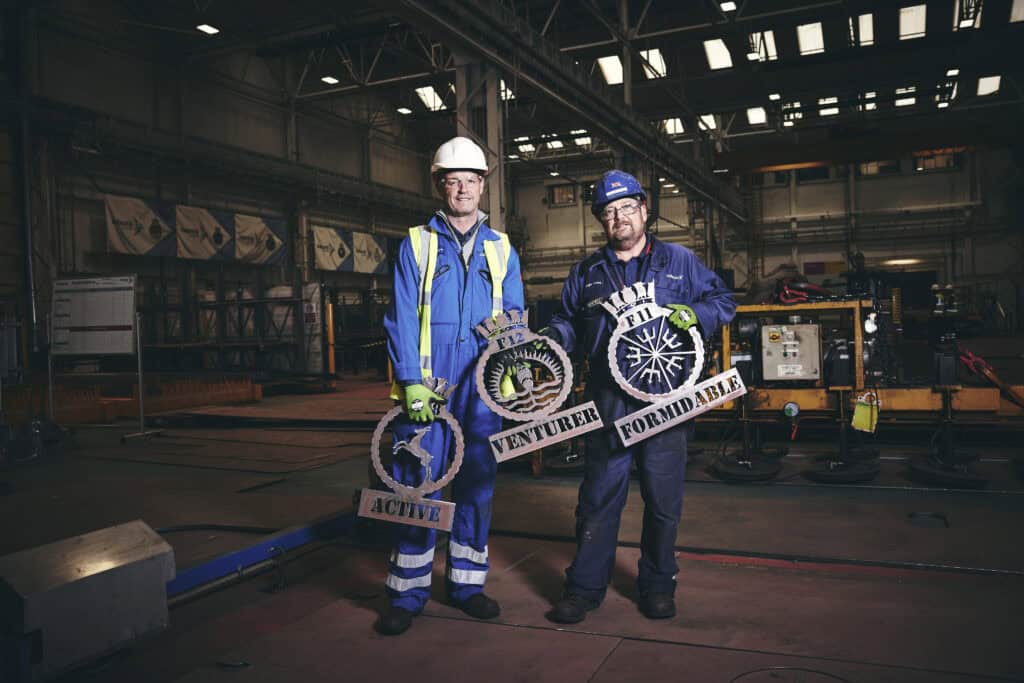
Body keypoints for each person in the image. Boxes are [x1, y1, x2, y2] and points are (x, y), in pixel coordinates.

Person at [540, 169, 735, 623]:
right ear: (601, 221)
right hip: (609, 403)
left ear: (645, 210)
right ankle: (584, 589)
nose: (618, 218)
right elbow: (570, 321)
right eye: (608, 212)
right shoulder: (587, 272)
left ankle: (657, 585)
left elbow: (724, 300)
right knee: (598, 500)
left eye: (627, 207)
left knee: (663, 501)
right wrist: (552, 337)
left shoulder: (680, 262)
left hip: (666, 402)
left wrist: (697, 312)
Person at [377, 136, 524, 636]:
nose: (462, 189)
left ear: (484, 185)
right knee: (418, 484)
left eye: (471, 180)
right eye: (453, 180)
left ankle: (466, 585)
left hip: (483, 385)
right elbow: (398, 313)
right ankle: (407, 592)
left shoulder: (502, 248)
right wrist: (410, 381)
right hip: (430, 384)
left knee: (478, 484)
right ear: (440, 185)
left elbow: (516, 319)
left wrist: (514, 382)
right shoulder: (416, 243)